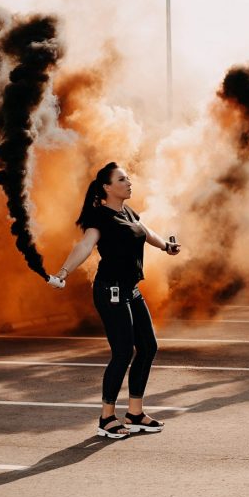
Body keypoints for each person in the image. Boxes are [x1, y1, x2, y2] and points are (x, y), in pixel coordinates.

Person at [49, 162, 181, 438]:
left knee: (148, 347)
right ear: (107, 187)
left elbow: (145, 232)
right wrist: (63, 272)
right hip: (110, 290)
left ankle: (134, 413)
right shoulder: (100, 218)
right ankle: (106, 418)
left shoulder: (127, 211)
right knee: (122, 352)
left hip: (130, 289)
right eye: (122, 179)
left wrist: (166, 246)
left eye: (128, 179)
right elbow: (85, 245)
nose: (129, 183)